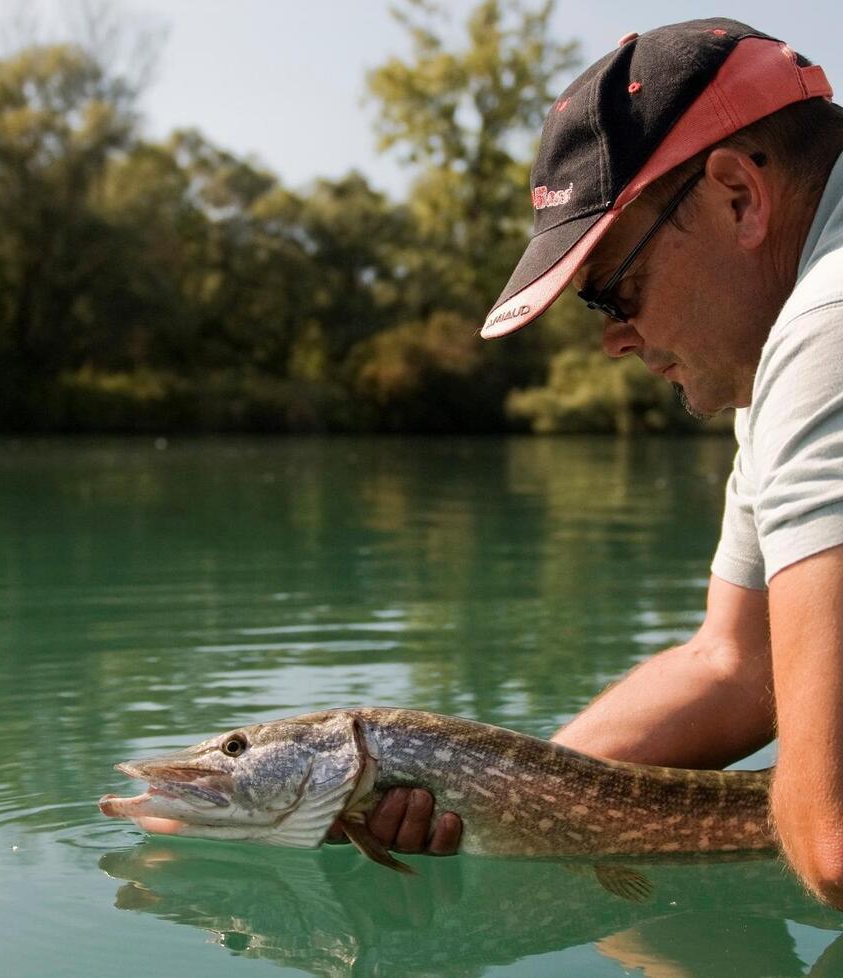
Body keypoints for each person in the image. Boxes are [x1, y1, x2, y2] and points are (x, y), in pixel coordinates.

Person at [345, 18, 843, 907]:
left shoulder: (826, 327)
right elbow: (734, 666)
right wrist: (483, 787)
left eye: (617, 288)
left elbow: (831, 839)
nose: (615, 339)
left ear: (737, 195)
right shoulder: (781, 348)